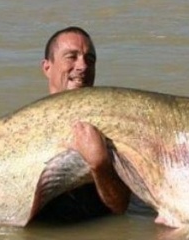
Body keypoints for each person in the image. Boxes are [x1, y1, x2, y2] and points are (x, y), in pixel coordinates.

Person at [38, 26, 130, 221]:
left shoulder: (109, 129)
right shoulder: (26, 126)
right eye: (71, 57)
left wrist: (100, 164)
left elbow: (121, 206)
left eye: (90, 60)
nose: (83, 66)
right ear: (47, 67)